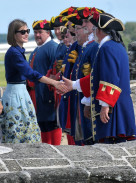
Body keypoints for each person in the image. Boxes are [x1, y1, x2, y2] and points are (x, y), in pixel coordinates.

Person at [62, 9, 136, 144]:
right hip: (116, 104)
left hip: (113, 107)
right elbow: (95, 77)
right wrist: (74, 85)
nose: (93, 32)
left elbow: (110, 80)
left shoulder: (107, 48)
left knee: (112, 145)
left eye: (95, 28)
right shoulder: (114, 46)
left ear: (100, 30)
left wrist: (105, 106)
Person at [1, 19, 67, 143]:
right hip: (19, 94)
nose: (27, 34)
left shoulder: (49, 48)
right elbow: (31, 74)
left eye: (27, 31)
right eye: (22, 32)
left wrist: (54, 83)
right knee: (19, 130)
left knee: (45, 124)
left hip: (40, 93)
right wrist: (54, 82)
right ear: (13, 34)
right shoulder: (15, 53)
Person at [28, 19, 64, 145]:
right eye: (35, 32)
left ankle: (55, 149)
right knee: (43, 123)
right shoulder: (36, 50)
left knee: (52, 123)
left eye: (40, 32)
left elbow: (57, 71)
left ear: (48, 32)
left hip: (49, 93)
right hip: (38, 94)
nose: (37, 35)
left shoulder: (52, 48)